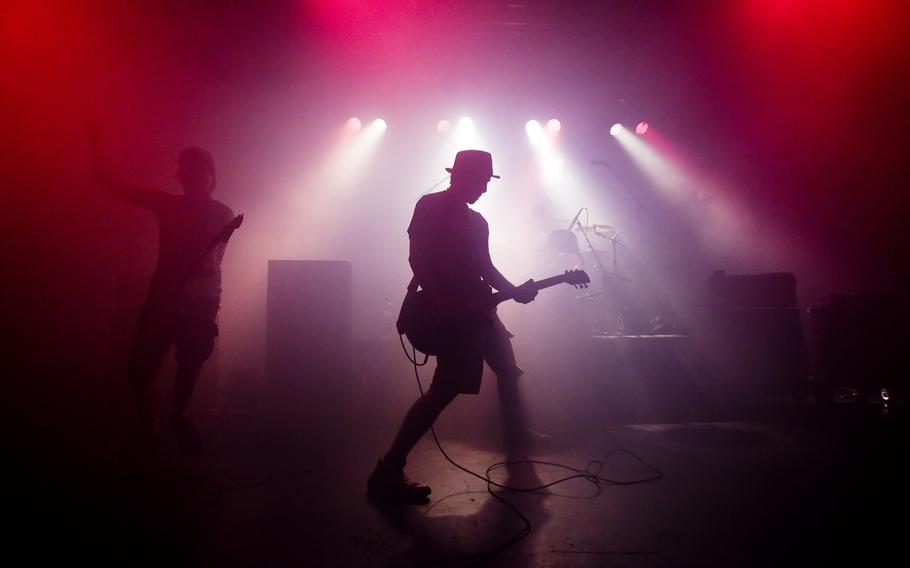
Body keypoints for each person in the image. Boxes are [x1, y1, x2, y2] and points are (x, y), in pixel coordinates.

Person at [368, 150, 538, 504]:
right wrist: (441, 296)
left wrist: (513, 292)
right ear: (459, 176)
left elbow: (486, 268)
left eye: (487, 182)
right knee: (444, 389)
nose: (485, 190)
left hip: (478, 309)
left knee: (507, 369)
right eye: (481, 181)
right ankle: (389, 468)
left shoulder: (478, 222)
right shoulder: (430, 206)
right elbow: (418, 257)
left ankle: (516, 446)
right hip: (453, 311)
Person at [90, 129, 235, 454]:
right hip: (164, 299)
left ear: (211, 178)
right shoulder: (170, 205)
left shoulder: (221, 213)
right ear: (182, 177)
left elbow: (214, 258)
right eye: (190, 170)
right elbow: (112, 186)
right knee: (139, 370)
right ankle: (155, 427)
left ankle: (173, 419)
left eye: (202, 170)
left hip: (199, 301)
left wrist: (206, 265)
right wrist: (94, 147)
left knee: (191, 359)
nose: (196, 176)